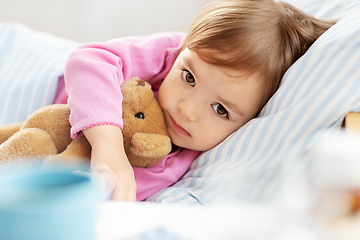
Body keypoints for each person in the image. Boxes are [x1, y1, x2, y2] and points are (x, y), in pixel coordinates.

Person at [55, 0, 335, 201]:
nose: (186, 110)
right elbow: (89, 60)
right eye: (189, 77)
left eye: (220, 109)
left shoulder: (201, 158)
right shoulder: (173, 52)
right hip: (56, 107)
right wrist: (109, 147)